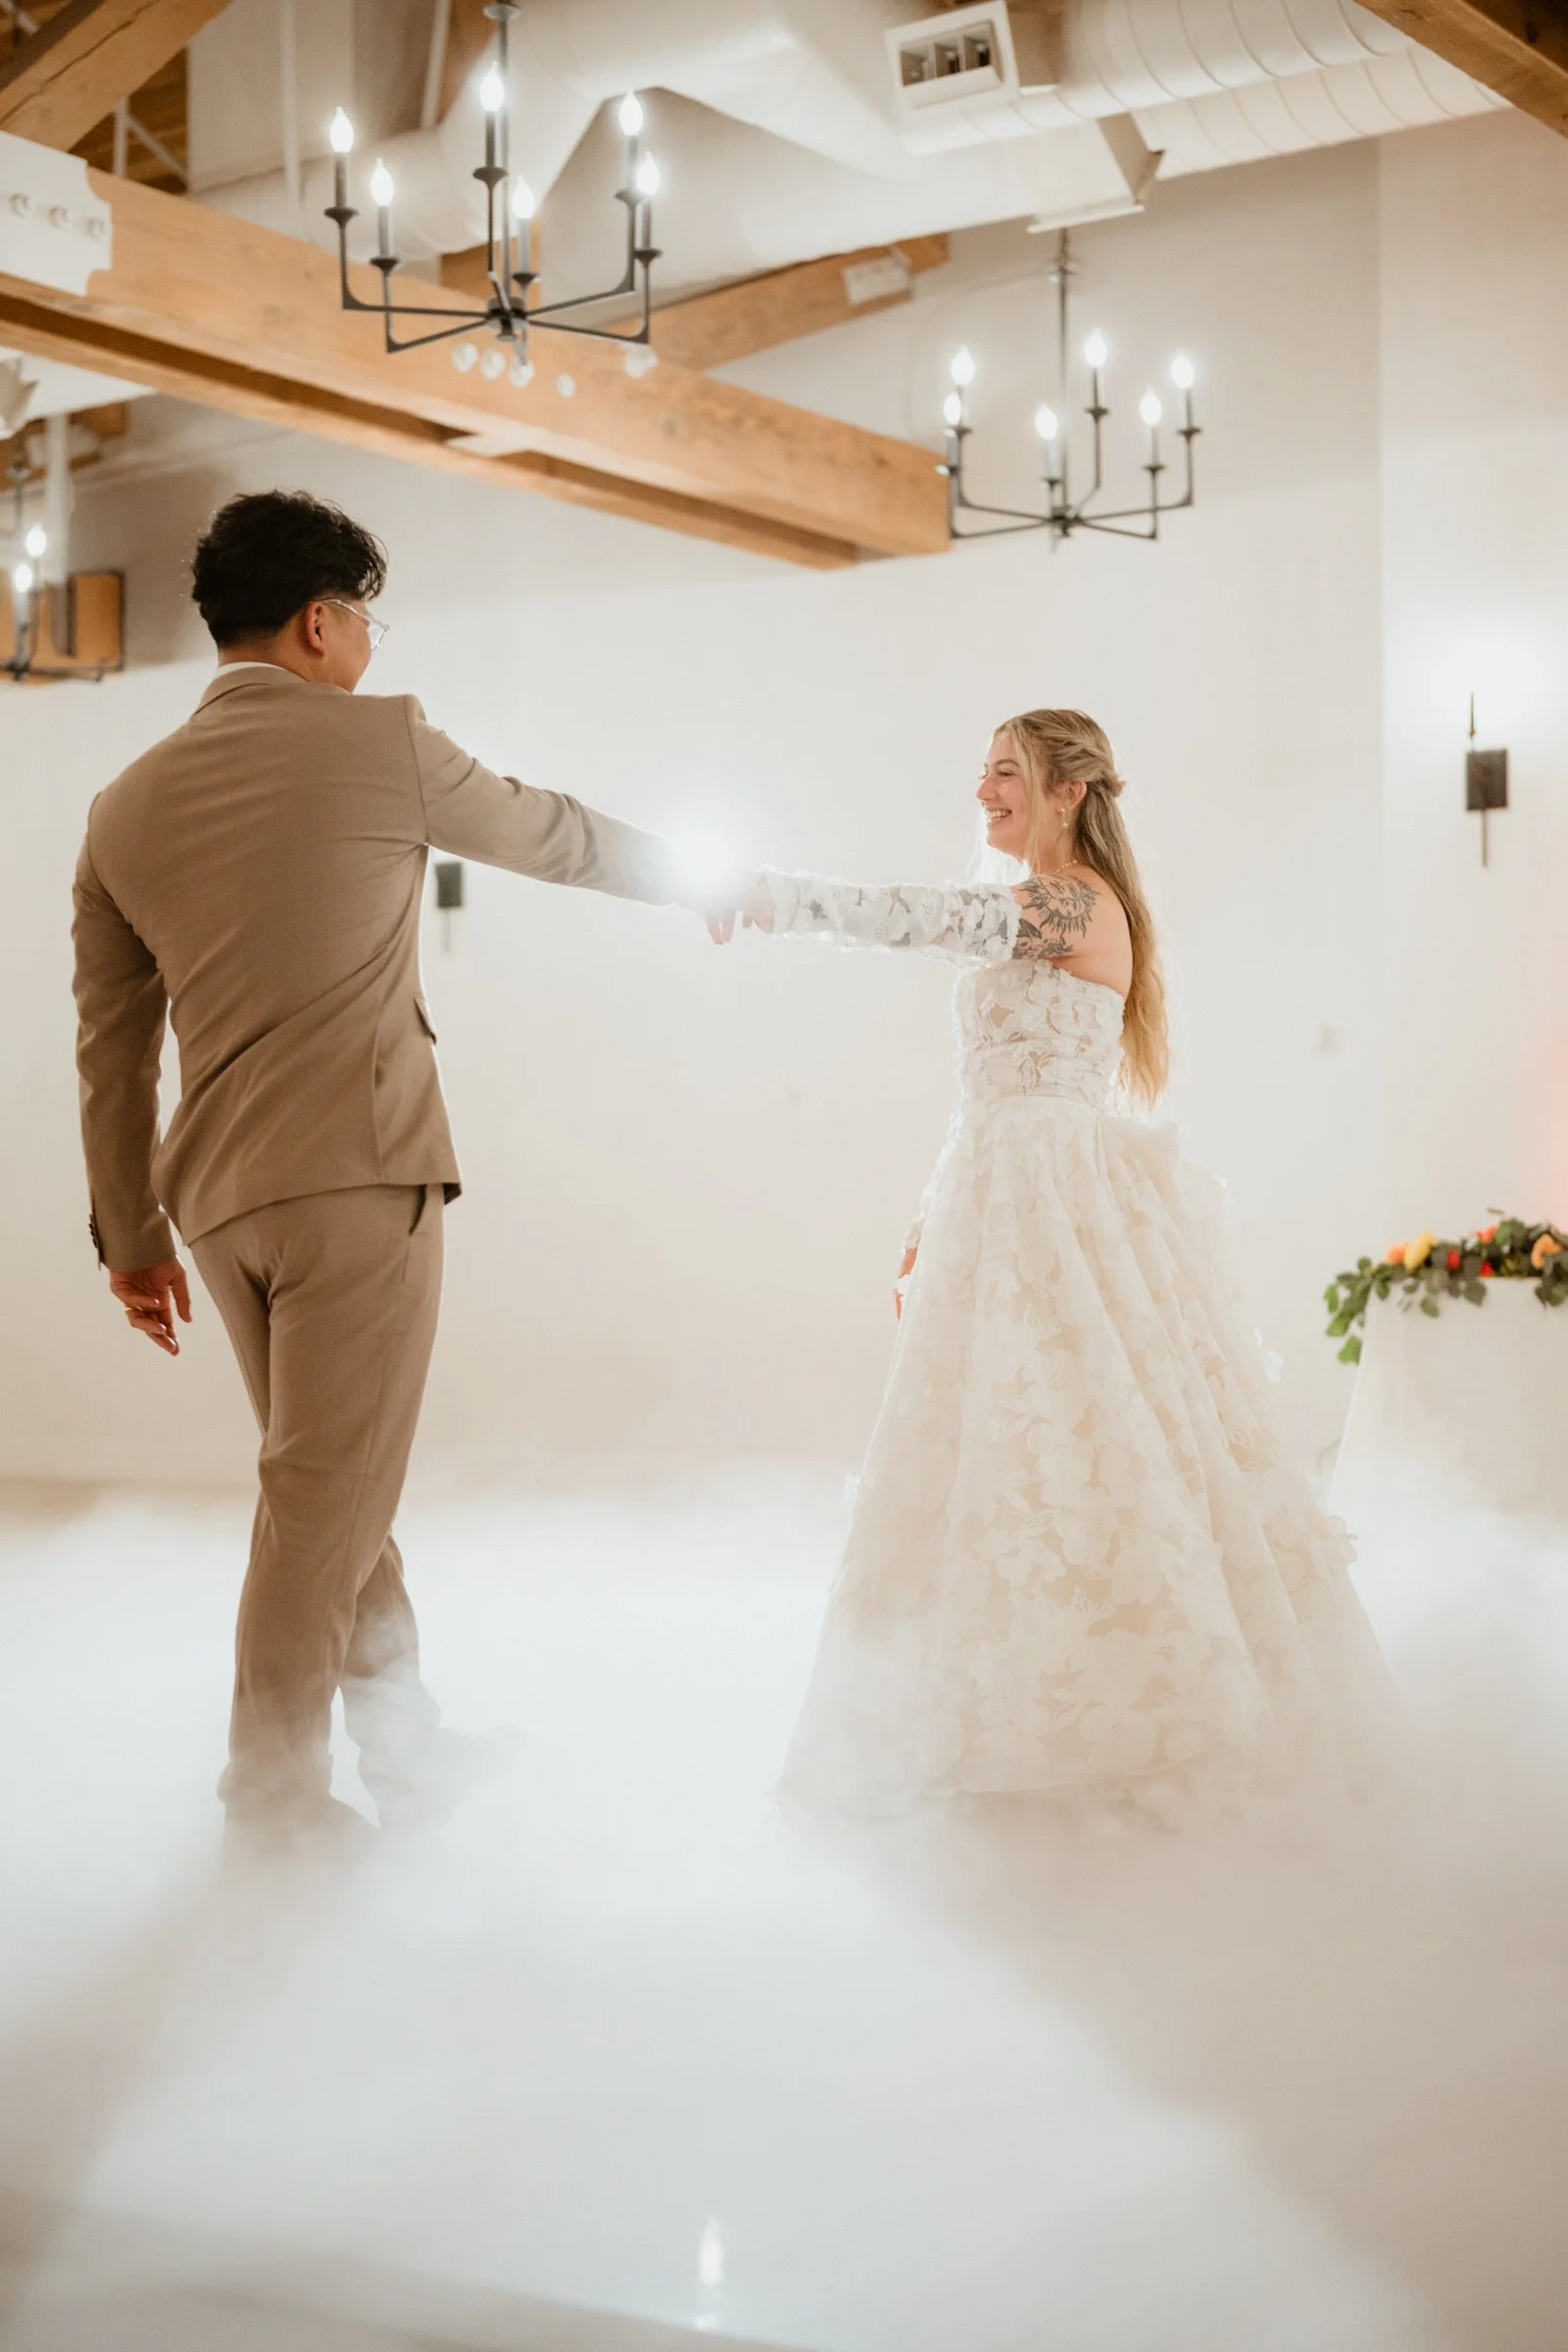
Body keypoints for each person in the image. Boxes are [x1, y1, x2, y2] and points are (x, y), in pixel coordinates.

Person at [71, 489, 738, 1866]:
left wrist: (130, 1236)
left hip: (216, 1208)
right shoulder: (379, 741)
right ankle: (271, 1811)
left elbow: (110, 1052)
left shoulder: (120, 810)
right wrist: (705, 878)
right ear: (320, 621)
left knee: (333, 1489)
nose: (370, 645)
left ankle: (408, 1755)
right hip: (359, 1181)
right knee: (321, 1504)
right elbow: (555, 834)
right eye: (365, 619)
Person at [736, 708, 1391, 1824]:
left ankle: (1122, 1729)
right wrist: (929, 1214)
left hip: (1052, 1204)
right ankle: (964, 1717)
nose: (983, 790)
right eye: (981, 771)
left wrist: (778, 896)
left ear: (1067, 790)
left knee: (1085, 1434)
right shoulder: (1044, 904)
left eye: (1006, 771)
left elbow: (928, 918)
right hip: (993, 1190)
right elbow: (985, 1087)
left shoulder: (1077, 905)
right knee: (995, 1439)